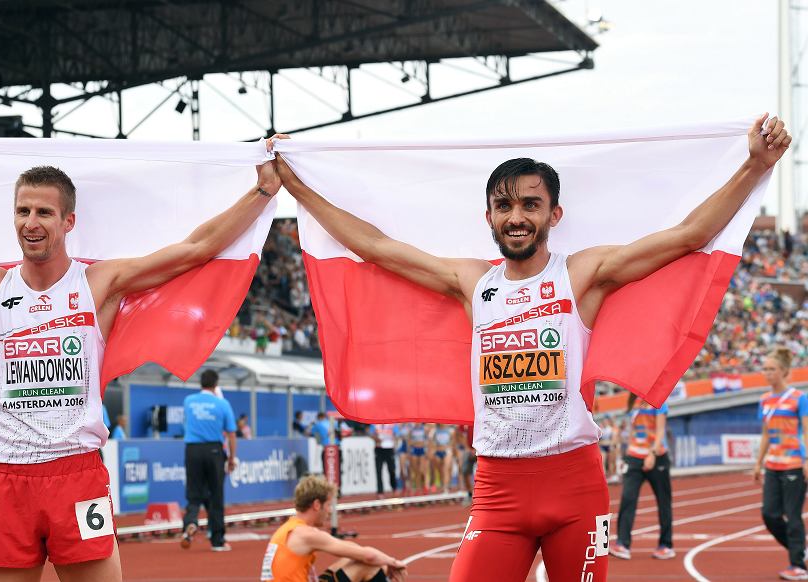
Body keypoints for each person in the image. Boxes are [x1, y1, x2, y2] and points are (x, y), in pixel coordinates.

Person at [272, 115, 791, 581]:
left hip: (574, 486)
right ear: (489, 218)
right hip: (499, 488)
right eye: (504, 205)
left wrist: (754, 165)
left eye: (530, 204)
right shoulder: (471, 281)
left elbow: (689, 235)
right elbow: (375, 247)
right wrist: (296, 188)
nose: (516, 216)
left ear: (554, 214)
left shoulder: (582, 275)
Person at [0, 133, 280, 581]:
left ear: (68, 221)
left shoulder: (98, 284)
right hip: (4, 475)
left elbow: (195, 249)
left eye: (43, 212)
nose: (30, 222)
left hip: (74, 470)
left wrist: (261, 190)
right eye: (22, 210)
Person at [260, 475, 407, 582]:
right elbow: (369, 557)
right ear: (317, 505)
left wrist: (384, 562)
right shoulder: (307, 534)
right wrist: (393, 562)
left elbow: (354, 550)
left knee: (353, 560)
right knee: (368, 566)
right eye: (328, 505)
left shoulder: (290, 528)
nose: (330, 512)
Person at [753, 347, 808, 581]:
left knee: (793, 515)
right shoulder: (764, 400)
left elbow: (806, 430)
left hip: (794, 463)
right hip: (772, 465)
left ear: (784, 371)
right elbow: (765, 434)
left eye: (771, 369)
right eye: (764, 369)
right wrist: (758, 463)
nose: (767, 373)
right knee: (769, 514)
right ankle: (800, 552)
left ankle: (798, 565)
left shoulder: (799, 398)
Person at [608, 394, 674, 560]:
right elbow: (632, 431)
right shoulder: (633, 402)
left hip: (656, 457)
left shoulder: (659, 401)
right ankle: (623, 544)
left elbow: (660, 431)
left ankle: (666, 545)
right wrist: (626, 450)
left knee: (663, 501)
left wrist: (652, 453)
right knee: (627, 499)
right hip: (634, 456)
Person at [180, 370, 238, 552]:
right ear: (216, 384)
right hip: (214, 450)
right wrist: (231, 459)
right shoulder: (223, 404)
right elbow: (231, 434)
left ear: (201, 383)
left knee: (193, 492)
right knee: (216, 495)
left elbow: (185, 423)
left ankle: (190, 523)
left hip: (193, 449)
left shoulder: (188, 401)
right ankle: (217, 540)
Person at [368, 423, 399, 496]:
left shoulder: (393, 422)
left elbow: (397, 434)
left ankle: (394, 488)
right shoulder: (374, 423)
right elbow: (371, 434)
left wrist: (395, 444)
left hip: (389, 448)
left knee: (392, 470)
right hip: (379, 449)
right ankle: (380, 492)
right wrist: (376, 439)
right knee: (378, 470)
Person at [432, 424, 455, 493]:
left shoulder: (450, 430)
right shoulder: (435, 431)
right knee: (440, 470)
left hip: (447, 451)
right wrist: (437, 448)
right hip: (438, 451)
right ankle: (443, 485)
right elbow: (432, 442)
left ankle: (445, 488)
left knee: (446, 469)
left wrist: (447, 447)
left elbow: (452, 442)